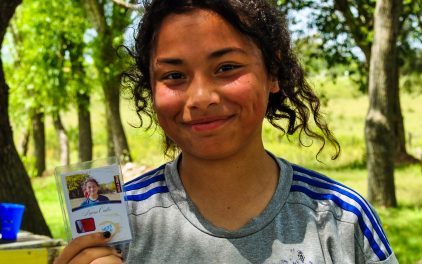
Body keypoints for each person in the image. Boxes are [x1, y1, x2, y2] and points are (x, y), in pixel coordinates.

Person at [55, 0, 398, 263]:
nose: (201, 98)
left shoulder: (342, 218)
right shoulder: (117, 225)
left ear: (273, 72)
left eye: (227, 67)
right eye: (174, 75)